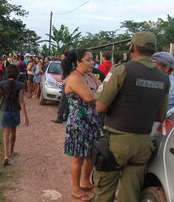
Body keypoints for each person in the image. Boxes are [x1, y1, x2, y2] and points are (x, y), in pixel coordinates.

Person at [93, 31, 170, 202]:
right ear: (153, 51)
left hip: (117, 142)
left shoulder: (122, 70)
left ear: (133, 47)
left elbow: (100, 106)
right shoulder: (164, 79)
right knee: (130, 194)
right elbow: (160, 116)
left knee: (104, 191)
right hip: (143, 144)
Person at [62, 49, 102, 200]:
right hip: (79, 123)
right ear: (78, 62)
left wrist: (100, 92)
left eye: (93, 59)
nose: (93, 62)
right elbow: (89, 98)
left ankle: (85, 181)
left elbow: (102, 88)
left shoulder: (89, 75)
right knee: (78, 157)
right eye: (89, 59)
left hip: (92, 121)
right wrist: (100, 94)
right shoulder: (74, 78)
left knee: (91, 154)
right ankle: (75, 188)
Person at [0, 64, 29, 166]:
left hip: (5, 110)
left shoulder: (2, 84)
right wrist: (25, 117)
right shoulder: (20, 85)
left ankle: (6, 155)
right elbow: (21, 101)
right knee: (13, 131)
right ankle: (11, 151)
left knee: (5, 133)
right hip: (15, 111)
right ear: (17, 74)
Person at [51, 51, 71, 124]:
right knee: (68, 101)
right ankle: (66, 117)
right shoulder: (72, 64)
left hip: (66, 83)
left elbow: (62, 76)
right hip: (71, 84)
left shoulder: (64, 64)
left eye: (63, 57)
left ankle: (59, 117)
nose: (61, 58)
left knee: (63, 100)